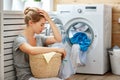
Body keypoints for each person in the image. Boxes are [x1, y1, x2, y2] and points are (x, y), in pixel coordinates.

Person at [13, 7, 66, 80]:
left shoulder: (39, 38)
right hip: (26, 77)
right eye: (41, 25)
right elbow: (32, 50)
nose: (43, 27)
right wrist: (56, 50)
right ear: (31, 23)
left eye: (44, 25)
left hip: (41, 76)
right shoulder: (20, 40)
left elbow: (58, 39)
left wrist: (49, 20)